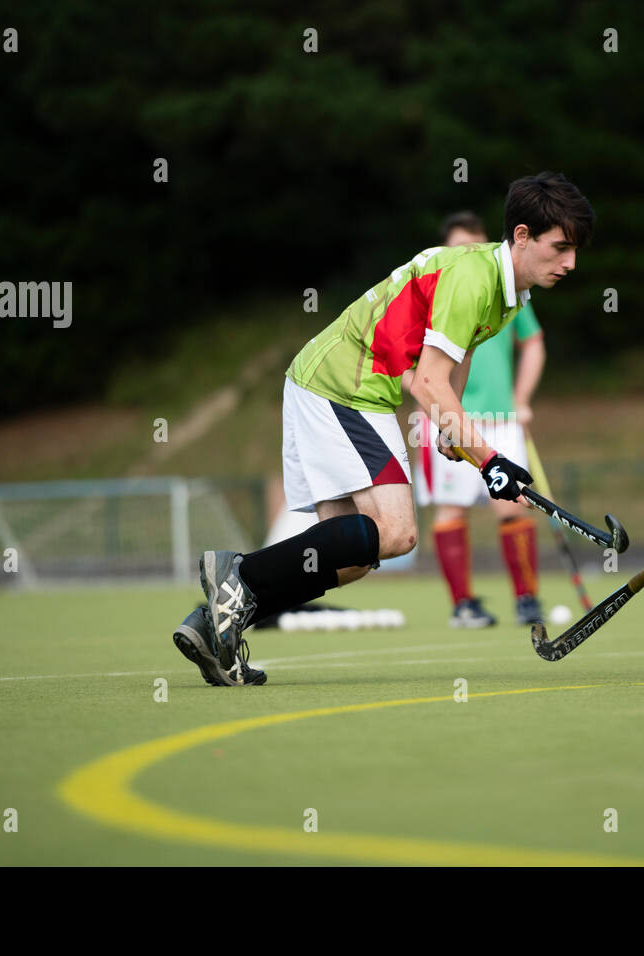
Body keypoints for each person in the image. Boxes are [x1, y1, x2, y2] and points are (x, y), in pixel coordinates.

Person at [173, 172, 594, 685]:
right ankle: (237, 574)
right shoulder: (474, 278)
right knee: (397, 532)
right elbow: (426, 384)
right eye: (562, 248)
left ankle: (216, 621)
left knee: (352, 557)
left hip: (327, 382)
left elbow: (455, 358)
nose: (571, 263)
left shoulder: (508, 291)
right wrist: (492, 462)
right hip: (346, 384)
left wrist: (452, 420)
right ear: (523, 236)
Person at [409, 211, 547, 628]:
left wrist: (521, 397)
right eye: (457, 249)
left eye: (473, 246)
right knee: (451, 511)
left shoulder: (507, 290)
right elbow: (406, 361)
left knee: (513, 507)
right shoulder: (430, 293)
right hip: (446, 419)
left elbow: (534, 343)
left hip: (501, 417)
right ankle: (463, 605)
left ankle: (526, 599)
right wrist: (426, 404)